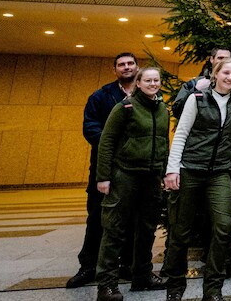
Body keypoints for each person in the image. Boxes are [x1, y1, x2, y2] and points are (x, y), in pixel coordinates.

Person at [163, 58, 231, 301]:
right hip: (190, 169)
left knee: (224, 227)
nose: (230, 77)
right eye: (226, 73)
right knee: (180, 231)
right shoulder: (197, 98)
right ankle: (175, 287)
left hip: (219, 172)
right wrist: (172, 170)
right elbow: (181, 134)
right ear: (216, 73)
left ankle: (213, 290)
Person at [94, 66, 170, 301]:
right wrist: (103, 177)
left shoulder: (162, 110)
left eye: (156, 80)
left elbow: (163, 143)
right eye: (148, 80)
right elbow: (106, 142)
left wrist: (164, 173)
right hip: (125, 175)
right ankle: (107, 285)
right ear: (138, 83)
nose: (153, 84)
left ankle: (142, 276)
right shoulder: (124, 108)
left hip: (151, 178)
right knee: (114, 230)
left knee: (147, 229)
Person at [68, 52, 138, 289]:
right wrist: (116, 147)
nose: (126, 67)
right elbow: (90, 128)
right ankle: (89, 266)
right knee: (98, 216)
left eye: (130, 63)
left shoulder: (148, 95)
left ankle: (127, 264)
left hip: (135, 169)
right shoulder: (101, 96)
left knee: (132, 218)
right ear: (115, 69)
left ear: (137, 67)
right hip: (105, 167)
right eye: (121, 64)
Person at [171, 47, 231, 118]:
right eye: (220, 58)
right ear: (212, 59)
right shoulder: (193, 84)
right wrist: (195, 90)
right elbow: (177, 111)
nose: (223, 61)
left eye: (227, 59)